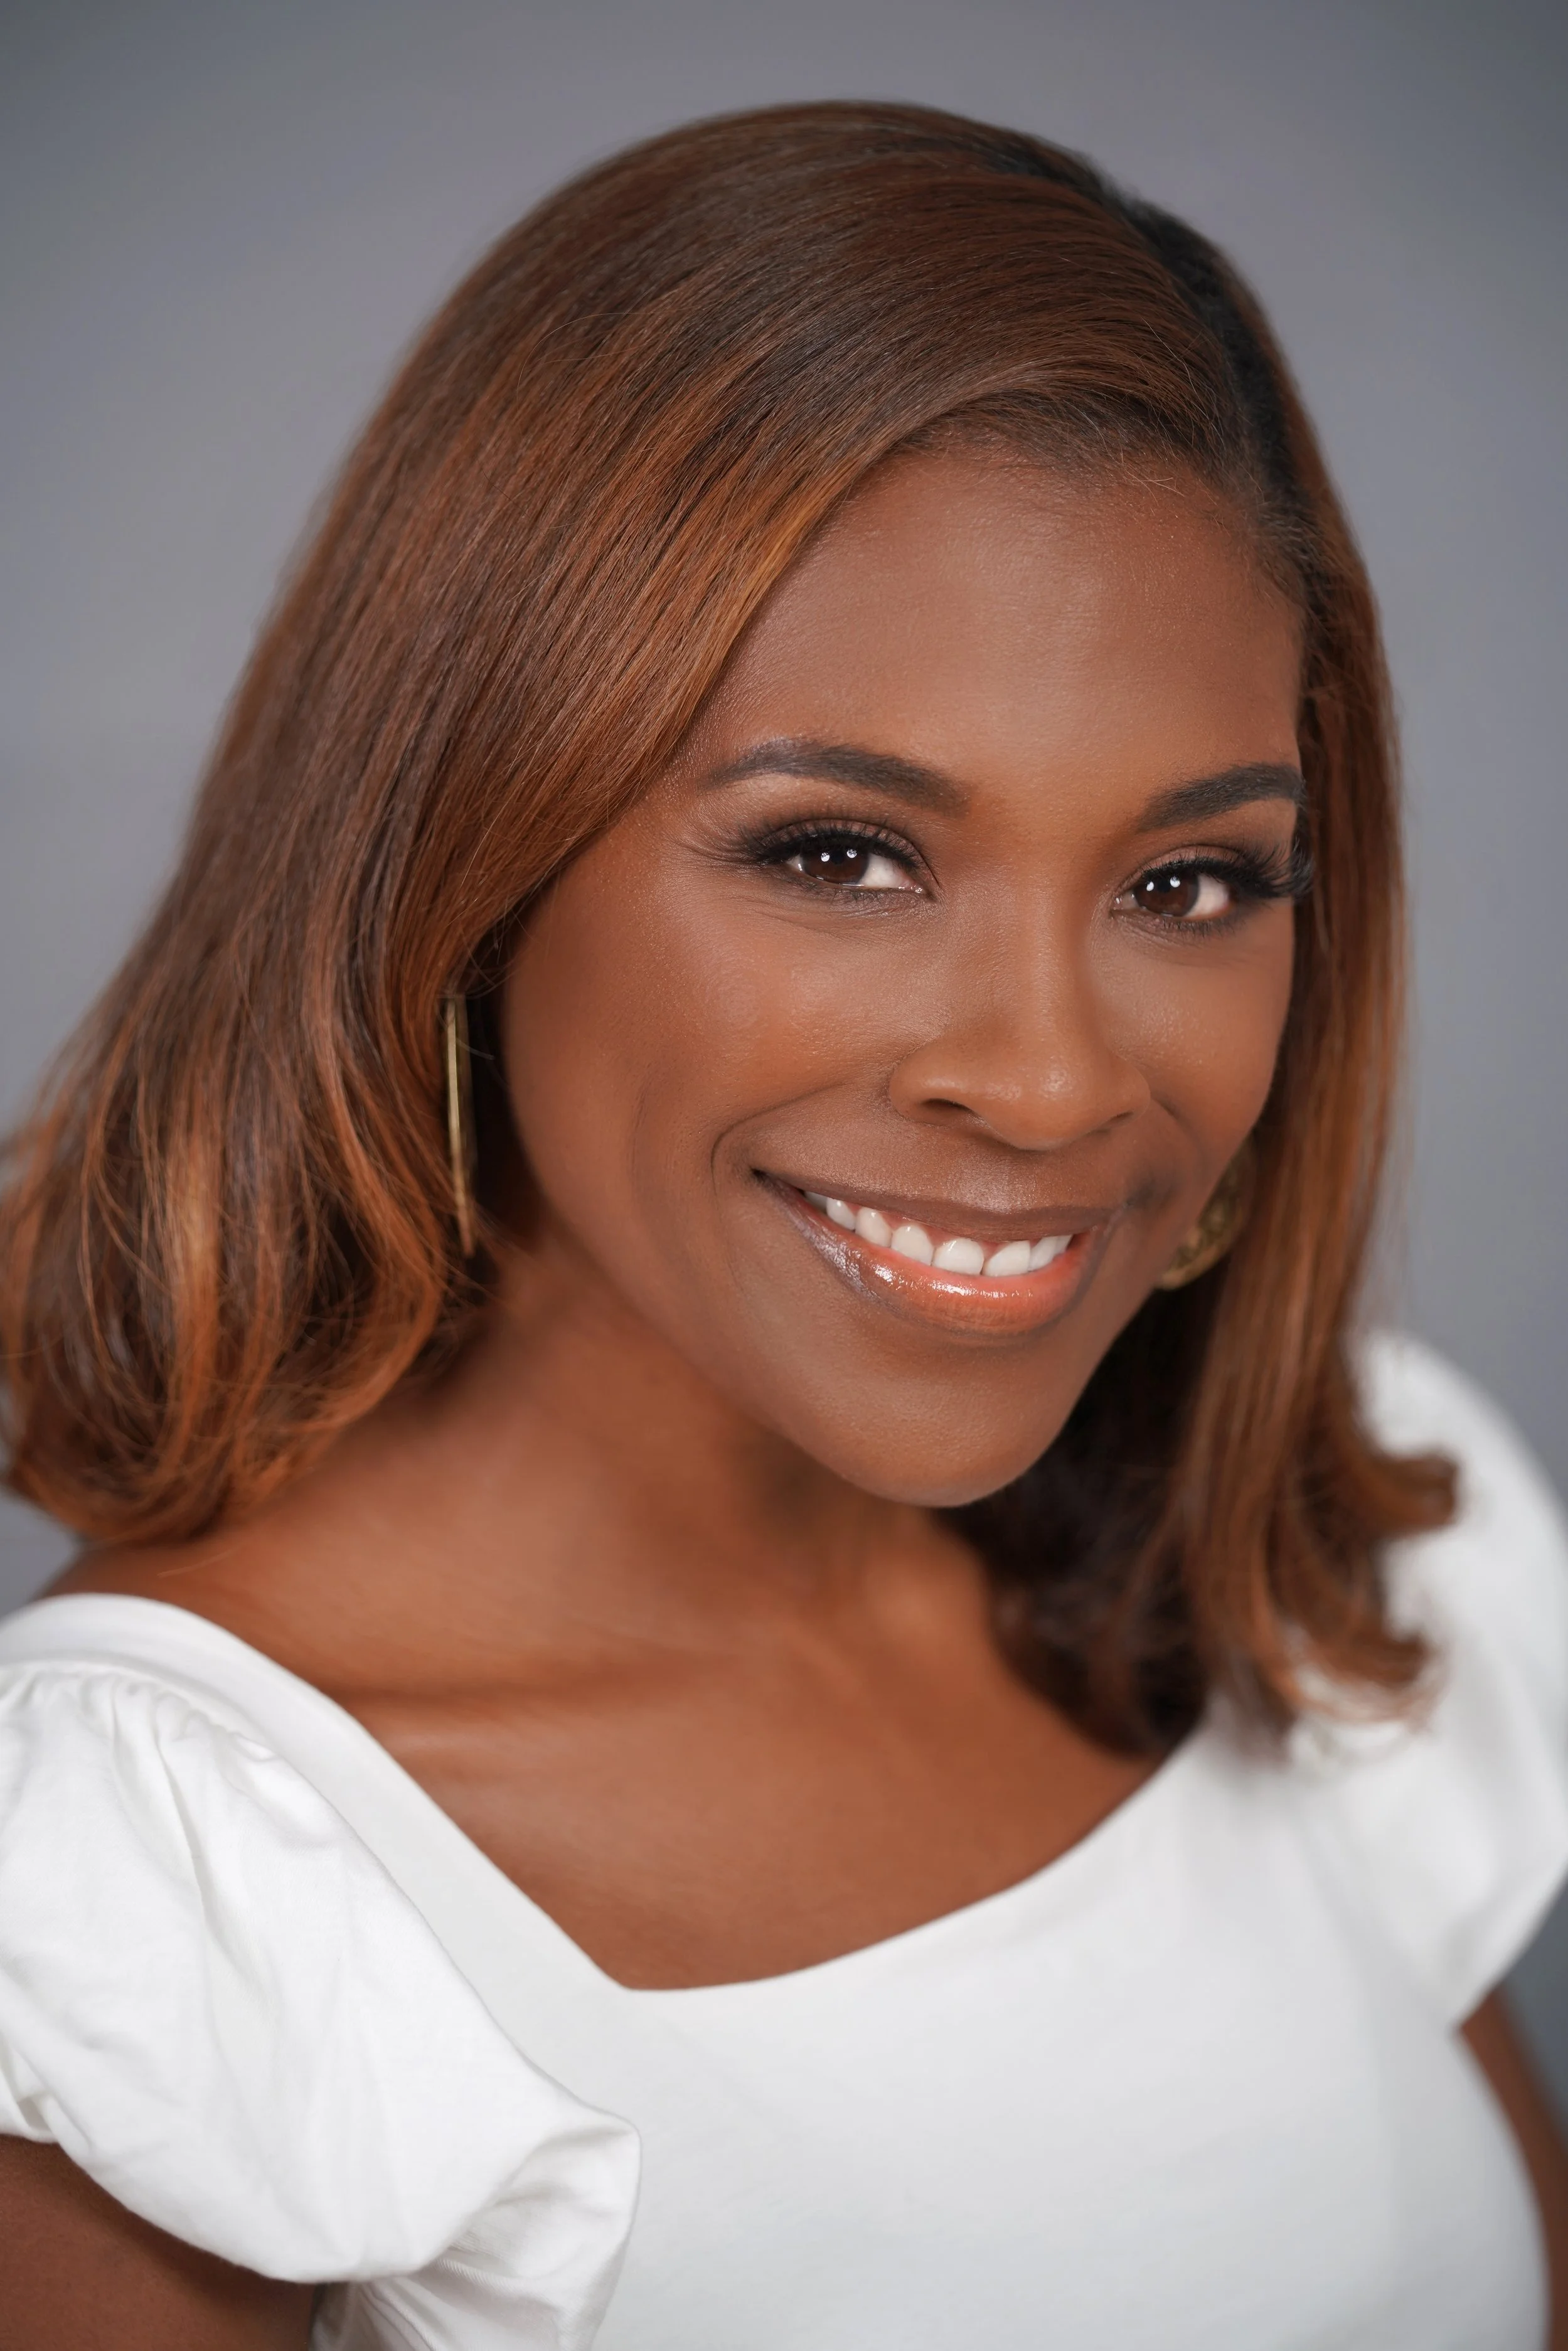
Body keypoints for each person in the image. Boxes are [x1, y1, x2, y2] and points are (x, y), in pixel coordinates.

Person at [0, 99, 1564, 2351]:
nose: (1044, 1076)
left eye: (1186, 883)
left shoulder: (1316, 1570)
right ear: (466, 857)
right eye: (840, 853)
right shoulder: (164, 1893)